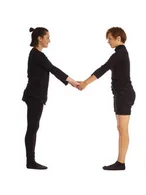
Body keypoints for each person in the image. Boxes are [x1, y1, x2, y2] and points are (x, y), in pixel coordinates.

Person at [77, 27, 136, 171]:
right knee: (121, 128)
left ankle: (121, 163)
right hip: (121, 94)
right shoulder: (119, 53)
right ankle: (120, 161)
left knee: (123, 129)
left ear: (118, 39)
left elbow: (103, 69)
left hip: (124, 94)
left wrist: (85, 82)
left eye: (110, 38)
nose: (108, 41)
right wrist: (84, 81)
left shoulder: (120, 52)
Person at [23, 27, 80, 169]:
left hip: (35, 96)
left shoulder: (36, 54)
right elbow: (53, 69)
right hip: (34, 96)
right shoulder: (37, 55)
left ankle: (30, 161)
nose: (49, 40)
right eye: (47, 37)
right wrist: (72, 81)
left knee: (33, 127)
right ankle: (30, 161)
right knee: (32, 128)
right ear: (39, 39)